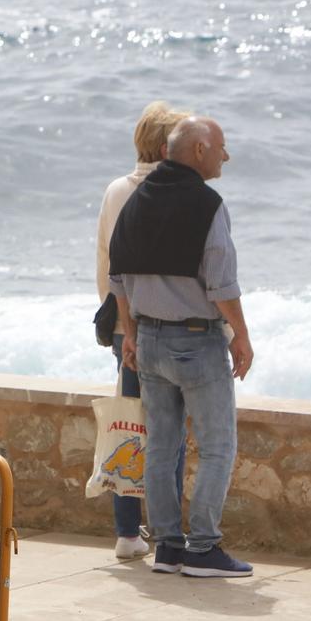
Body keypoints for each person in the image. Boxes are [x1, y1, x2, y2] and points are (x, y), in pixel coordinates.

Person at [109, 116, 256, 578]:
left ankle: (169, 547)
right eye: (221, 147)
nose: (225, 156)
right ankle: (204, 548)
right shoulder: (207, 204)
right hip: (195, 342)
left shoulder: (137, 201)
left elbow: (119, 279)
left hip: (149, 341)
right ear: (197, 151)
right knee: (217, 447)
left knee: (160, 447)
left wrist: (131, 333)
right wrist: (243, 337)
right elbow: (222, 284)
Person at [96, 102, 189, 560]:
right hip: (159, 327)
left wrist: (116, 323)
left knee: (129, 425)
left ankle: (127, 532)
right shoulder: (168, 191)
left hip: (121, 325)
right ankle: (169, 533)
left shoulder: (115, 190)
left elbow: (104, 263)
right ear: (162, 146)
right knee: (168, 431)